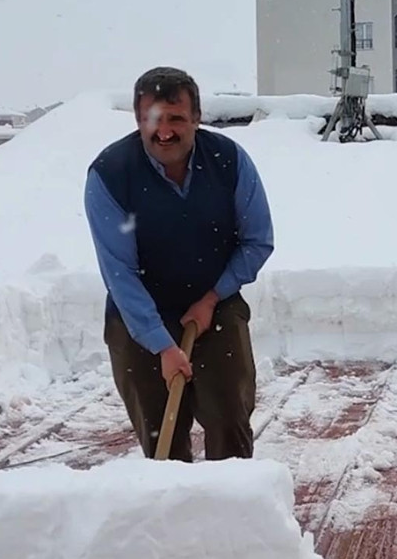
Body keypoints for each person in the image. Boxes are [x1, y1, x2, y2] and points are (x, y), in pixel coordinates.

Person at [84, 67, 274, 461]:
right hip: (139, 314)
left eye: (176, 118)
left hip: (215, 304)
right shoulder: (110, 174)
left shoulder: (228, 161)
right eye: (153, 118)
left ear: (197, 118)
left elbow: (258, 241)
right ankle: (169, 495)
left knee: (230, 420)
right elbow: (119, 273)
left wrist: (212, 298)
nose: (165, 131)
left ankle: (232, 496)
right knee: (162, 437)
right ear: (138, 120)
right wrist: (162, 344)